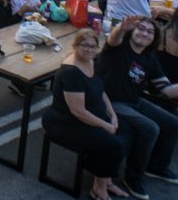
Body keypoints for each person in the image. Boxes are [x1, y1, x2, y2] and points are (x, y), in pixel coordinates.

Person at [98, 15, 178, 197]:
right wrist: (120, 28)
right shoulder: (119, 48)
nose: (145, 33)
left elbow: (169, 90)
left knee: (173, 124)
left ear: (154, 38)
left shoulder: (149, 59)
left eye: (150, 32)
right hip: (110, 102)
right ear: (131, 31)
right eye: (141, 28)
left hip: (134, 101)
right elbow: (113, 38)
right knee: (150, 128)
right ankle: (132, 177)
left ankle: (156, 167)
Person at [42, 30, 125, 200]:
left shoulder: (91, 61)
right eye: (85, 45)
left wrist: (112, 114)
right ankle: (99, 189)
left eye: (93, 46)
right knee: (113, 144)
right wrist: (105, 125)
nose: (89, 49)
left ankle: (106, 180)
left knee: (126, 131)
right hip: (65, 123)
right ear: (75, 46)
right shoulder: (71, 72)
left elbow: (101, 90)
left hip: (88, 116)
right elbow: (78, 112)